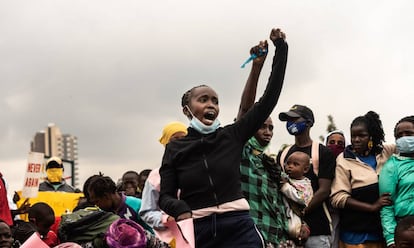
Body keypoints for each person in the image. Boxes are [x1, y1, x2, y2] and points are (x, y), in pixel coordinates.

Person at [159, 27, 288, 248]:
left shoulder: (232, 135)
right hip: (199, 230)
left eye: (215, 101)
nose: (211, 105)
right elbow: (165, 197)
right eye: (203, 99)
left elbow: (269, 98)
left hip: (239, 227)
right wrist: (180, 209)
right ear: (186, 110)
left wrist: (281, 49)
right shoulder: (176, 148)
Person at [235, 40, 288, 246]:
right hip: (250, 238)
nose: (267, 132)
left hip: (276, 239)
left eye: (271, 128)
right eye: (262, 126)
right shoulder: (241, 152)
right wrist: (257, 67)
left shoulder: (269, 162)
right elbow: (245, 110)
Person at [330, 111, 395, 247]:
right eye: (353, 136)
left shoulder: (385, 152)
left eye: (362, 136)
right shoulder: (344, 159)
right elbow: (338, 197)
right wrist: (372, 207)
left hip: (383, 233)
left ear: (371, 136)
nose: (356, 140)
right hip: (355, 235)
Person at [277, 104, 336, 248]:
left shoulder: (322, 153)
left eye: (295, 119)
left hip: (317, 230)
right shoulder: (283, 154)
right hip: (289, 232)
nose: (290, 124)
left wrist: (301, 212)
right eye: (288, 120)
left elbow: (324, 191)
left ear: (308, 122)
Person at [139, 121, 188, 231]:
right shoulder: (155, 177)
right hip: (172, 236)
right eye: (175, 139)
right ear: (166, 143)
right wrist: (166, 219)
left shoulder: (198, 169)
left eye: (184, 138)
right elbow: (147, 211)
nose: (181, 143)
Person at [379, 116, 414, 248]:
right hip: (405, 233)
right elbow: (386, 205)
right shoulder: (391, 166)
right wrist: (390, 238)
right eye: (399, 135)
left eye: (409, 134)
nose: (404, 138)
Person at [87, 174, 153, 233]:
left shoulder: (138, 205)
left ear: (106, 196)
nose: (96, 205)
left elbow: (155, 233)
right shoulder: (102, 215)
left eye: (97, 201)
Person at [280, 151, 313, 246]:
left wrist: (285, 187)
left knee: (293, 230)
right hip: (282, 213)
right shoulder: (284, 177)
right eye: (288, 163)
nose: (290, 166)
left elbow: (301, 199)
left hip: (294, 215)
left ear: (305, 169)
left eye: (295, 164)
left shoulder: (305, 184)